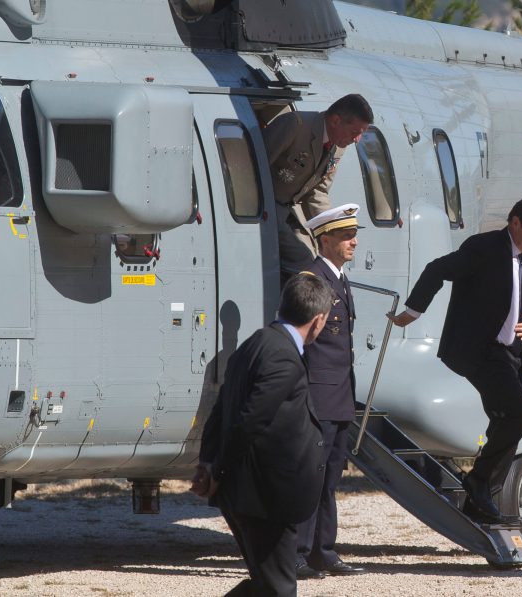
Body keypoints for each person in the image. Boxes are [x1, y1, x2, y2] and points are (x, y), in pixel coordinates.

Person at [388, 196, 522, 524]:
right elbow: (437, 269)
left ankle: (481, 499)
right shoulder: (484, 248)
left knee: (506, 421)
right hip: (479, 352)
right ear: (515, 222)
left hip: (510, 356)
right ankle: (478, 483)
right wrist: (413, 311)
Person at [192, 273, 336, 597]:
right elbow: (249, 421)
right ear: (318, 320)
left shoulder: (255, 343)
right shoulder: (283, 356)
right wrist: (218, 470)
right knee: (278, 590)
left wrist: (208, 463)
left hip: (249, 493)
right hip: (264, 497)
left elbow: (220, 410)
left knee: (266, 585)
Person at [295, 204, 366, 578]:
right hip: (318, 397)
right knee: (310, 477)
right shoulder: (311, 279)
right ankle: (297, 552)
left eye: (354, 234)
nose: (353, 241)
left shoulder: (337, 278)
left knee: (330, 478)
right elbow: (297, 340)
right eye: (345, 235)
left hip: (339, 395)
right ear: (326, 239)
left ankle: (324, 550)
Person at [263, 94, 373, 273]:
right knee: (304, 261)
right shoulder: (295, 126)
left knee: (319, 258)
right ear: (336, 121)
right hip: (267, 208)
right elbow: (254, 167)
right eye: (355, 132)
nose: (357, 140)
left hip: (291, 213)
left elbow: (318, 191)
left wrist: (332, 230)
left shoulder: (338, 145)